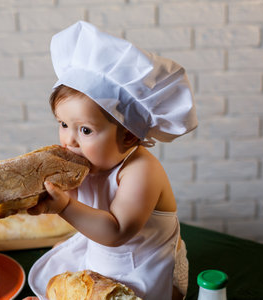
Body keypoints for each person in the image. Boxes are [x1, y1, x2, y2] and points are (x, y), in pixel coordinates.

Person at [25, 21, 197, 300]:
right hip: (100, 256)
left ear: (128, 136)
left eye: (85, 130)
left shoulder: (141, 171)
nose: (69, 140)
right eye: (63, 124)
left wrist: (65, 206)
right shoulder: (90, 161)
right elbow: (83, 204)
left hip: (144, 268)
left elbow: (115, 231)